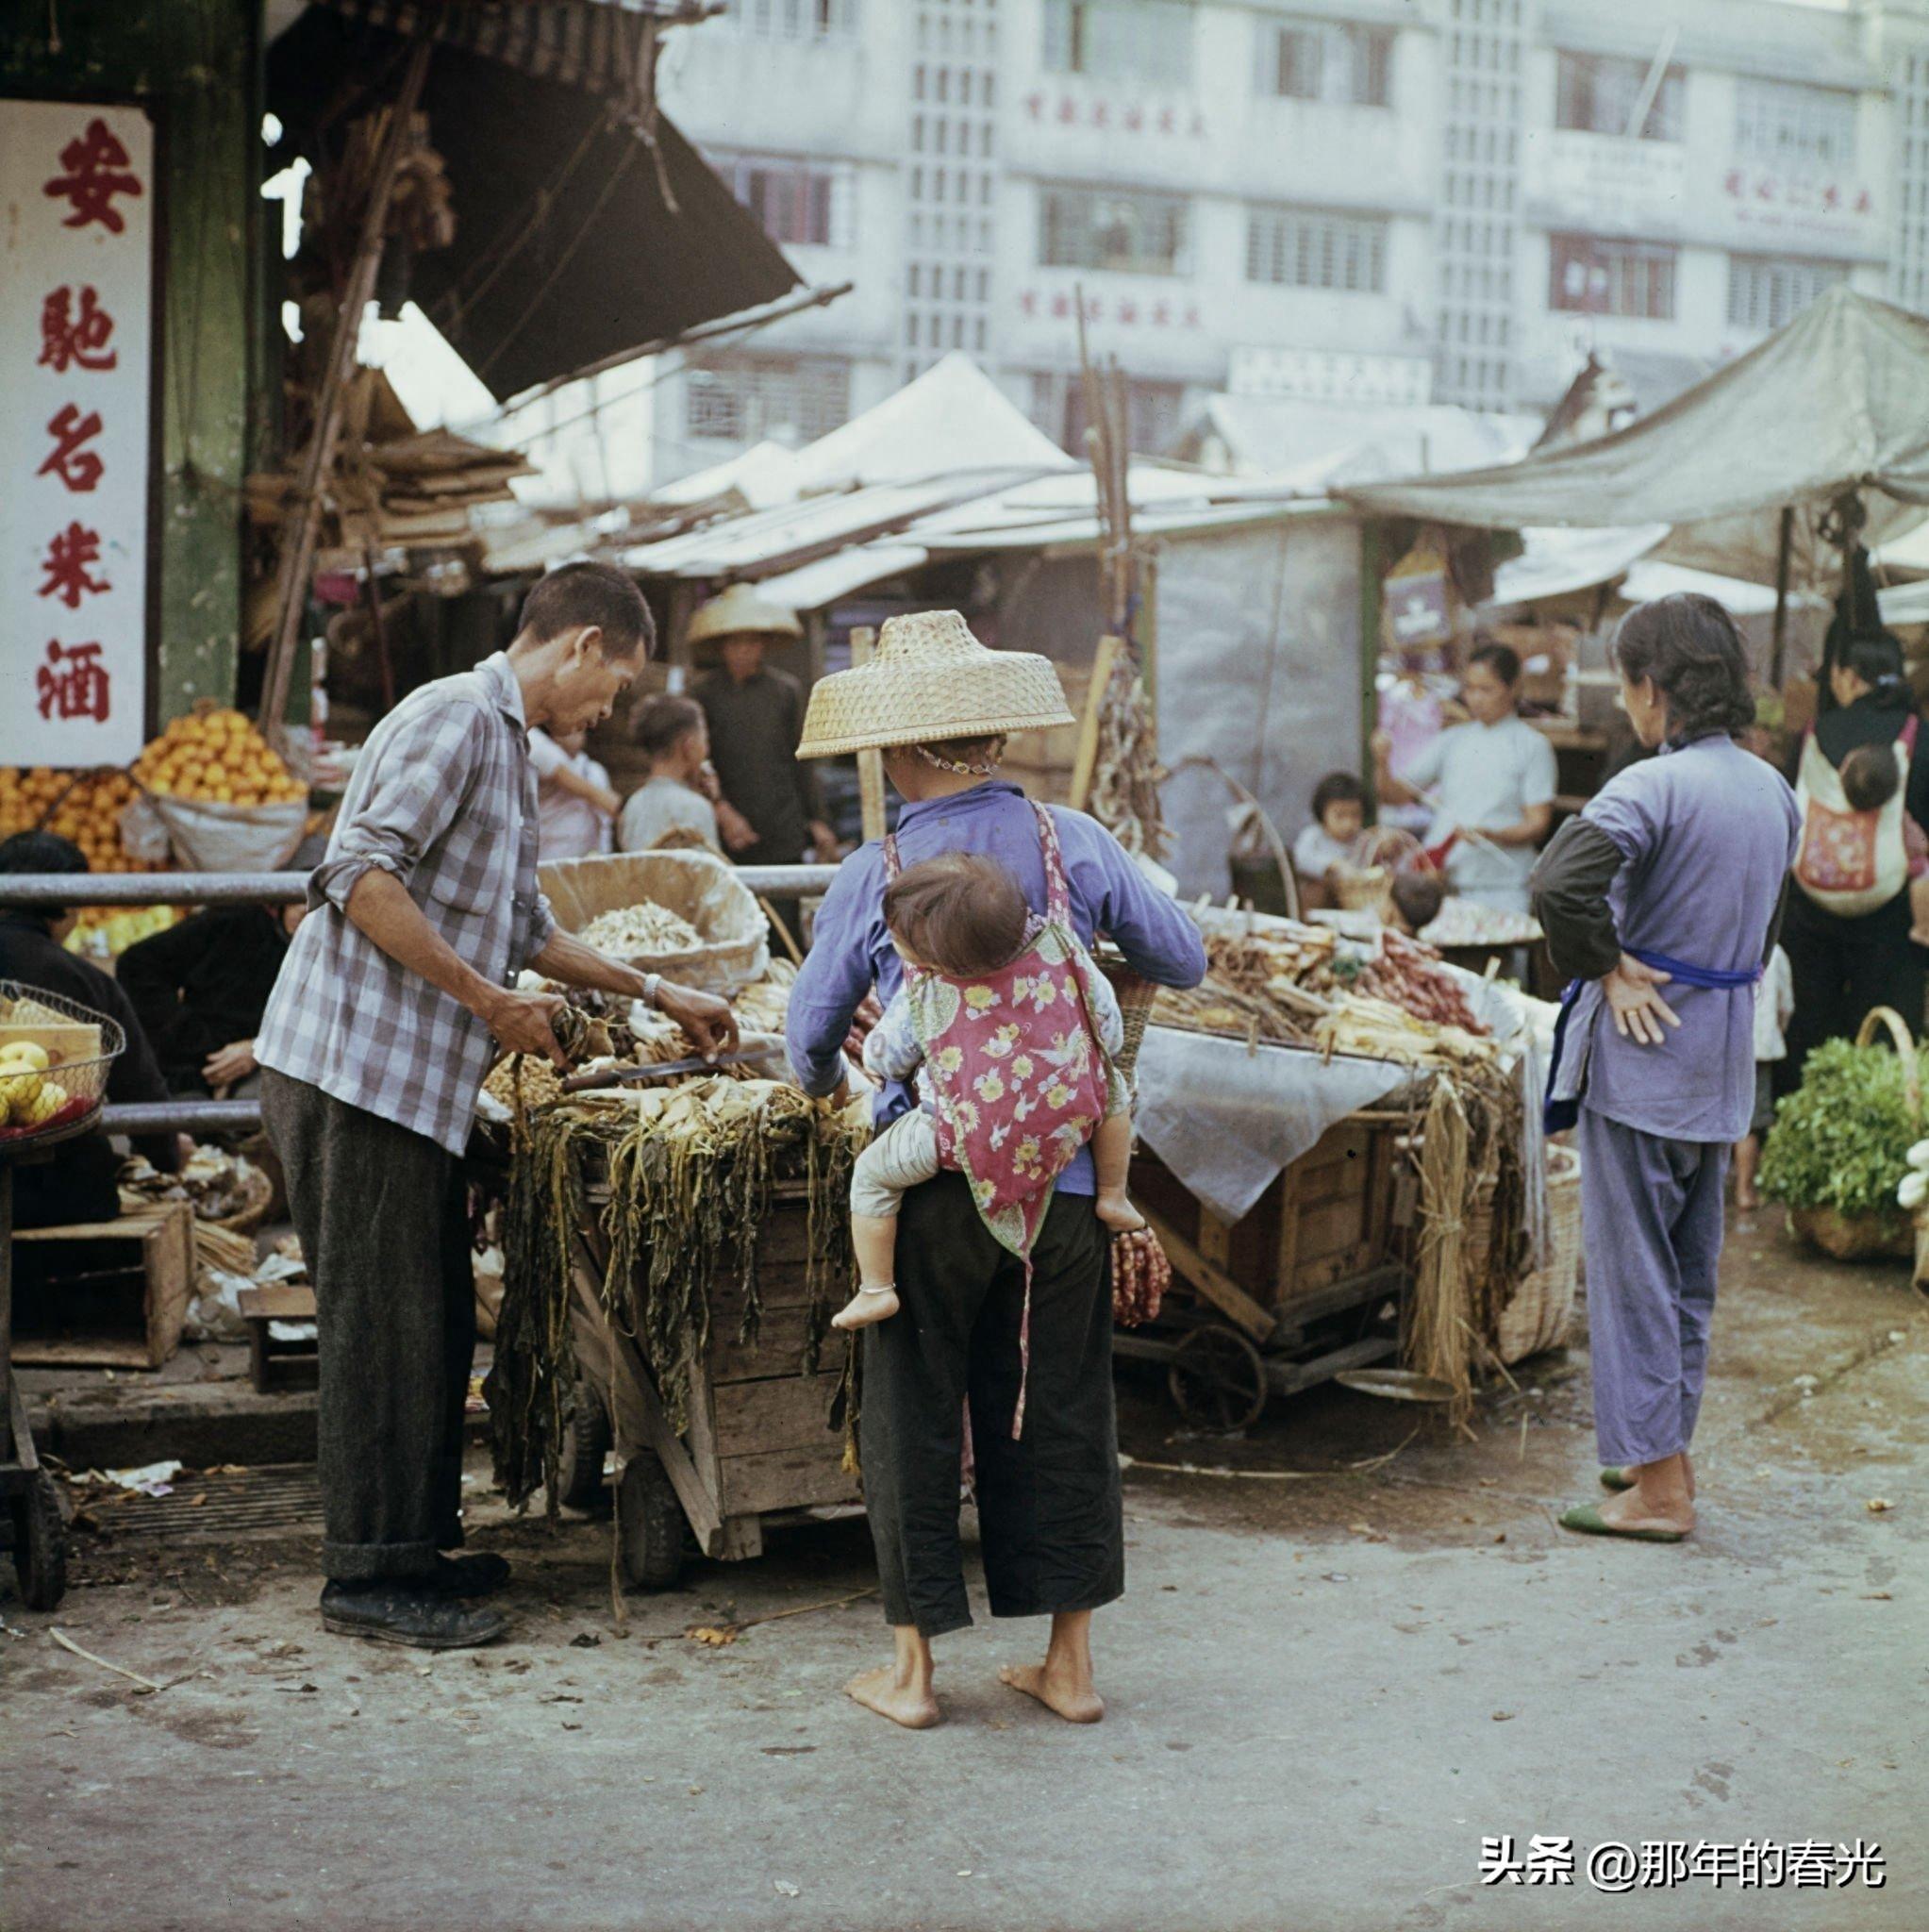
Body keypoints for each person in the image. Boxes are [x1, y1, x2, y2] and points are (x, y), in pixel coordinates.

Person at [257, 562, 739, 1652]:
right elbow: (357, 874)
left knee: (424, 1320)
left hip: (403, 1085)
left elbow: (520, 920)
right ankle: (369, 1574)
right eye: (612, 685)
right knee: (382, 1330)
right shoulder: (456, 717)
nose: (608, 711)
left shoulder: (508, 742)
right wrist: (485, 999)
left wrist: (661, 989)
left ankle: (414, 1544)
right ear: (577, 645)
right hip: (351, 1072)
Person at [786, 609, 1206, 1729]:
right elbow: (1184, 955)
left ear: (901, 749)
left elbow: (805, 1039)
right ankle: (1067, 1666)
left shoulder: (875, 868)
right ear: (991, 733)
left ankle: (914, 1674)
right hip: (1068, 1191)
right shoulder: (1074, 842)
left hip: (930, 1195)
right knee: (1063, 1405)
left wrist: (856, 1066)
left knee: (911, 1405)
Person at [1531, 593, 1799, 1543]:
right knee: (1686, 1274)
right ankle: (1658, 1450)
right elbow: (1765, 929)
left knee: (1632, 1274)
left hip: (1644, 1065)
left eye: (1623, 684)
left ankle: (1657, 1486)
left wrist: (1605, 963)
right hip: (1721, 1064)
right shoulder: (1774, 790)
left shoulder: (1650, 786)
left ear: (1651, 688)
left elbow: (1556, 885)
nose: (1624, 704)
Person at [832, 850, 1141, 1334]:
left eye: (901, 942)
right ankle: (1113, 1194)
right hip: (1067, 1122)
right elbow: (1111, 1033)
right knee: (1114, 1089)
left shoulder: (931, 992)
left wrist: (871, 1052)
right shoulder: (1064, 949)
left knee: (872, 1177)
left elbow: (886, 1058)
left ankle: (876, 1289)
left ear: (942, 960)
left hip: (959, 1139)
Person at [0, 831, 182, 1228]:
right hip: (62, 1196)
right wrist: (168, 1157)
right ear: (69, 903)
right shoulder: (86, 982)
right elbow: (141, 1090)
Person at [1779, 631, 1929, 1092]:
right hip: (1892, 915)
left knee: (1810, 1021)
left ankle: (1802, 1109)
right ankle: (1883, 1116)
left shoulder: (1815, 732)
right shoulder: (1920, 738)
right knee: (1886, 1025)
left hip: (1811, 912)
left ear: (1846, 676)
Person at [118, 836, 326, 1097]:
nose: (307, 913)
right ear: (281, 898)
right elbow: (138, 964)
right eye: (299, 899)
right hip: (196, 1067)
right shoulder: (235, 920)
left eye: (320, 907)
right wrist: (191, 1038)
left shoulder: (336, 953)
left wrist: (258, 1049)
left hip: (275, 1069)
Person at [688, 585, 838, 938]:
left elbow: (801, 759)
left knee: (784, 924)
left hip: (781, 820)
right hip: (729, 824)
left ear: (763, 646)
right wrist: (721, 809)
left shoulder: (784, 691)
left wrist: (817, 820)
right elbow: (697, 761)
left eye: (752, 642)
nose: (744, 651)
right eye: (736, 643)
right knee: (734, 920)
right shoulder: (702, 695)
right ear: (723, 647)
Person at [1372, 641, 1557, 916]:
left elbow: (1538, 823)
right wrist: (1382, 761)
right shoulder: (1452, 740)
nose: (1475, 698)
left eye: (1486, 689)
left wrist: (1492, 833)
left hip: (1503, 887)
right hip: (1446, 884)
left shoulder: (1532, 745)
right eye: (1470, 688)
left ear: (1513, 688)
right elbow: (1394, 794)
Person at [616, 694, 721, 854]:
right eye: (704, 739)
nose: (706, 749)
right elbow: (709, 875)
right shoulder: (696, 807)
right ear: (689, 746)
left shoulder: (633, 805)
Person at [1734, 941, 1794, 1212]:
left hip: (1719, 1044)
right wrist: (1777, 1029)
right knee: (1751, 1122)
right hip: (1759, 1048)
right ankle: (1744, 1191)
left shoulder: (1724, 941)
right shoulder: (1775, 952)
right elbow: (1786, 1004)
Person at [526, 725, 618, 862]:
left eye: (580, 729)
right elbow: (601, 798)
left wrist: (604, 854)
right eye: (571, 729)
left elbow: (605, 822)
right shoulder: (536, 745)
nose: (576, 733)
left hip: (587, 862)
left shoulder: (595, 771)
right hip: (547, 859)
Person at [1291, 771, 1366, 905]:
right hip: (1321, 904)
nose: (1348, 824)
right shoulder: (1313, 836)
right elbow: (1300, 858)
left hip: (1355, 901)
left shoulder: (1362, 839)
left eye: (1355, 815)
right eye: (1340, 815)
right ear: (1323, 813)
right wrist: (1333, 865)